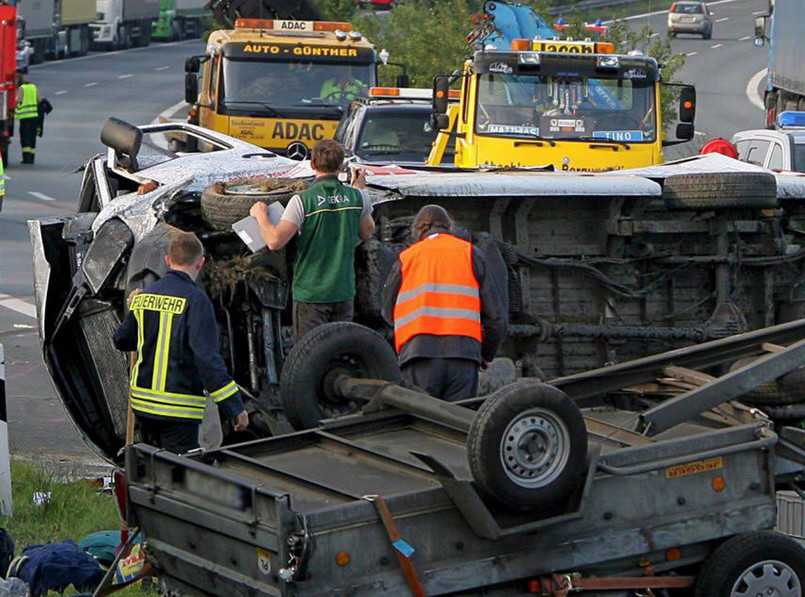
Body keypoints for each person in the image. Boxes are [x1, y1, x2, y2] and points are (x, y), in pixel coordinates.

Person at [113, 229, 249, 453]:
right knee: (177, 475)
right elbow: (207, 360)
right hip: (178, 410)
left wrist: (132, 310)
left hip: (143, 407)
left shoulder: (143, 297)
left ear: (167, 260)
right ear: (201, 263)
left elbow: (122, 341)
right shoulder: (196, 301)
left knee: (151, 469)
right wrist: (235, 407)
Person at [249, 139, 375, 341]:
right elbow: (367, 232)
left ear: (313, 164)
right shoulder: (358, 197)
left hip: (312, 294)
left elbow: (274, 241)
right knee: (336, 353)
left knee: (309, 357)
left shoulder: (302, 200)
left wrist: (260, 214)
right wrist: (359, 188)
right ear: (342, 166)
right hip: (343, 292)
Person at [382, 205, 507, 401]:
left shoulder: (406, 258)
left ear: (419, 230)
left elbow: (387, 312)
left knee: (421, 424)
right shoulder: (471, 254)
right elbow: (497, 319)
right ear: (449, 227)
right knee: (457, 425)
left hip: (418, 357)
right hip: (463, 356)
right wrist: (486, 355)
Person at [15, 75, 38, 164]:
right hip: (34, 116)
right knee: (32, 138)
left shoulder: (22, 88)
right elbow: (38, 99)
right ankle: (32, 158)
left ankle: (26, 159)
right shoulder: (33, 87)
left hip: (25, 118)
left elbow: (18, 100)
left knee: (25, 138)